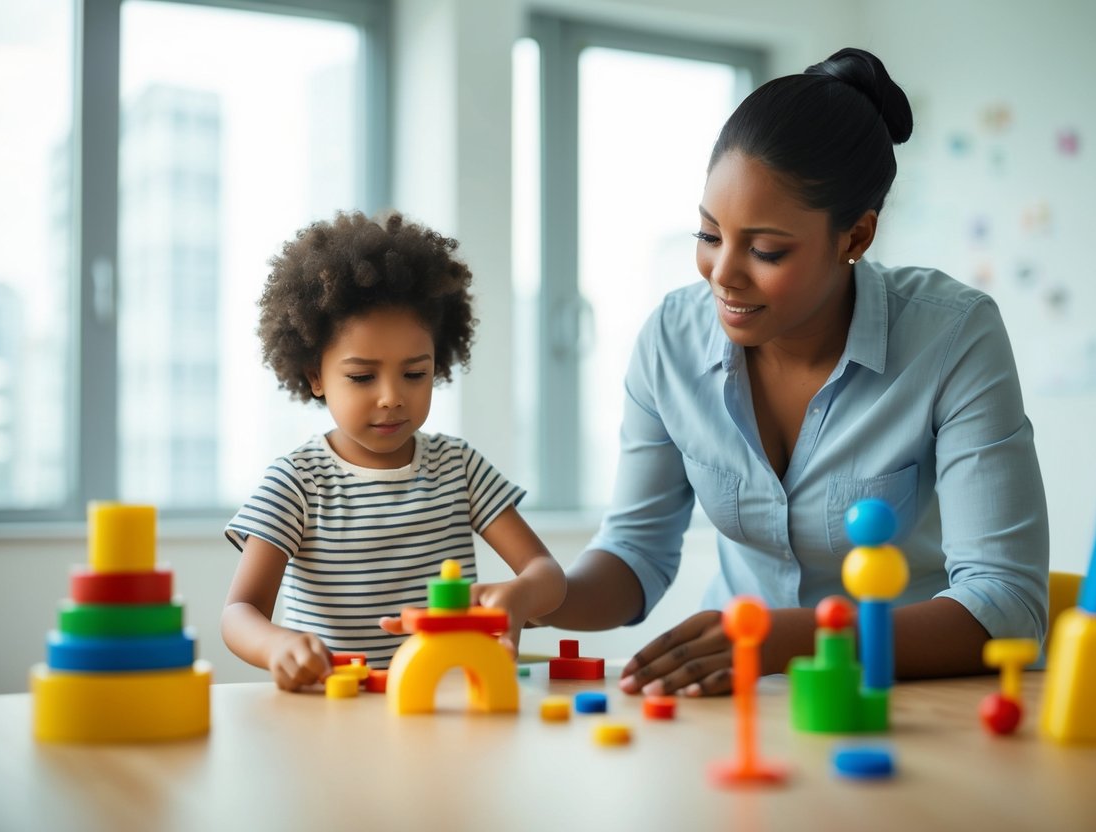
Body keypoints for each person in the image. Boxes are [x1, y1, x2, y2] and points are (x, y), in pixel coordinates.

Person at [536, 47, 1049, 696]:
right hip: (739, 700)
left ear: (855, 239)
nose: (722, 274)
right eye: (708, 235)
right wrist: (543, 594)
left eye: (766, 249)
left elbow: (1007, 607)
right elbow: (635, 551)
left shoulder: (952, 336)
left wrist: (795, 638)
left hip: (911, 698)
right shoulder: (670, 338)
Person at [222, 211, 566, 691]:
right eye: (362, 377)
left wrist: (520, 595)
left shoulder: (458, 468)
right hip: (337, 710)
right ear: (314, 376)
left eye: (414, 373)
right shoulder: (297, 482)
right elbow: (239, 612)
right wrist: (277, 645)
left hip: (444, 704)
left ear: (438, 364)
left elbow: (547, 574)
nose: (391, 396)